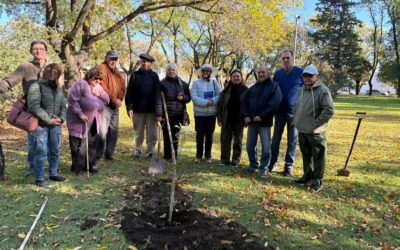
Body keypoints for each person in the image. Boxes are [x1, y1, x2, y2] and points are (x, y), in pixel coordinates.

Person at [0, 40, 50, 176]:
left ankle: (52, 167)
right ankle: (32, 166)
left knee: (51, 140)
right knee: (34, 139)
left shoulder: (53, 67)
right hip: (32, 111)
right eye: (35, 49)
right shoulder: (25, 67)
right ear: (31, 52)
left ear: (47, 52)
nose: (38, 51)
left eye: (41, 49)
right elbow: (8, 81)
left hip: (51, 110)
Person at [293, 65, 334, 192]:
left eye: (310, 76)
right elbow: (296, 106)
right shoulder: (301, 89)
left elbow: (329, 110)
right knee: (306, 155)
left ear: (316, 76)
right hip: (302, 129)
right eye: (305, 75)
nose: (307, 78)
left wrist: (315, 124)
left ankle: (317, 181)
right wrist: (295, 120)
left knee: (318, 156)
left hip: (316, 132)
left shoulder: (322, 90)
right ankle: (307, 176)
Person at [27, 63, 66, 188]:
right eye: (49, 70)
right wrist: (49, 120)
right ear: (45, 72)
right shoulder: (36, 86)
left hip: (56, 125)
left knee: (55, 150)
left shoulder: (59, 88)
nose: (52, 73)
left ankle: (53, 174)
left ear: (58, 74)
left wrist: (61, 118)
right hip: (40, 125)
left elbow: (63, 106)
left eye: (55, 72)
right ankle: (39, 178)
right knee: (41, 151)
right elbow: (33, 106)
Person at [67, 66, 110, 176]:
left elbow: (107, 100)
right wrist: (80, 114)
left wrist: (98, 94)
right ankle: (78, 167)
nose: (98, 81)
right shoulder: (80, 84)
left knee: (92, 143)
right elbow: (72, 100)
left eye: (100, 80)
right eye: (96, 79)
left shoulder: (98, 87)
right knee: (78, 144)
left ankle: (89, 165)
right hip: (79, 120)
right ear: (90, 76)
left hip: (95, 120)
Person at [242, 65, 282, 177]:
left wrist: (262, 116)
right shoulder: (253, 88)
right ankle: (253, 164)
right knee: (250, 145)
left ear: (268, 73)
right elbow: (244, 103)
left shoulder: (274, 87)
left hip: (264, 122)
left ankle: (263, 168)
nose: (261, 74)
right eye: (259, 72)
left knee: (266, 148)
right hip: (252, 123)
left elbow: (274, 104)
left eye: (263, 72)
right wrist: (246, 116)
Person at [270, 49, 303, 176]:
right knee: (275, 140)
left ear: (292, 58)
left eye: (287, 58)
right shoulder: (278, 74)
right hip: (279, 113)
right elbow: (273, 91)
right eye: (283, 58)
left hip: (294, 114)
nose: (285, 60)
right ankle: (272, 163)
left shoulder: (300, 73)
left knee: (292, 141)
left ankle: (288, 167)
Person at [125, 54, 162, 160]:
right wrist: (129, 107)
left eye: (147, 62)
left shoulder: (154, 76)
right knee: (138, 132)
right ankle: (137, 150)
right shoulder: (135, 75)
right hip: (137, 110)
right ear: (141, 62)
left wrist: (158, 112)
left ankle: (150, 152)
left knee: (152, 134)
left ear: (150, 63)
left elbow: (158, 94)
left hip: (151, 111)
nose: (145, 63)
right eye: (143, 61)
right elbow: (129, 93)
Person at [96, 50, 126, 162]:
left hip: (115, 105)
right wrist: (114, 100)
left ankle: (110, 153)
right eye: (111, 58)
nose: (113, 61)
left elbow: (123, 86)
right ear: (106, 58)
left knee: (114, 130)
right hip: (105, 105)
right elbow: (103, 88)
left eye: (115, 59)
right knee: (102, 131)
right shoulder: (101, 68)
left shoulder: (117, 71)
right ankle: (99, 155)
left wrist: (120, 98)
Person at [159, 64, 191, 161]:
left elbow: (189, 98)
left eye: (173, 70)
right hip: (166, 115)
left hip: (178, 114)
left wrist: (183, 98)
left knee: (176, 135)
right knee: (166, 135)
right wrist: (160, 114)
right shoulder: (162, 83)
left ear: (176, 71)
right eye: (169, 70)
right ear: (166, 71)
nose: (171, 71)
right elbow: (158, 100)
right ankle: (167, 155)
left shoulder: (183, 84)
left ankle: (174, 155)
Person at [216, 69, 248, 167]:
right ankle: (224, 159)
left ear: (241, 78)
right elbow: (220, 104)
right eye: (234, 76)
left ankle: (236, 160)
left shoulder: (245, 90)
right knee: (225, 139)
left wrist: (247, 118)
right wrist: (219, 117)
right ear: (231, 78)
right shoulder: (226, 89)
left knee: (238, 141)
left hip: (239, 119)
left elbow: (249, 105)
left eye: (238, 76)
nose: (236, 78)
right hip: (227, 118)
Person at [190, 64, 221, 164]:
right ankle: (198, 156)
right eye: (204, 71)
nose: (205, 73)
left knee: (209, 136)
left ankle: (208, 156)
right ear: (201, 72)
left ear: (210, 72)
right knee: (200, 135)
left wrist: (212, 101)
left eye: (208, 71)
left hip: (211, 114)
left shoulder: (214, 82)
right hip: (199, 114)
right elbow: (194, 97)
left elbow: (219, 95)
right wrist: (205, 102)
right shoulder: (196, 83)